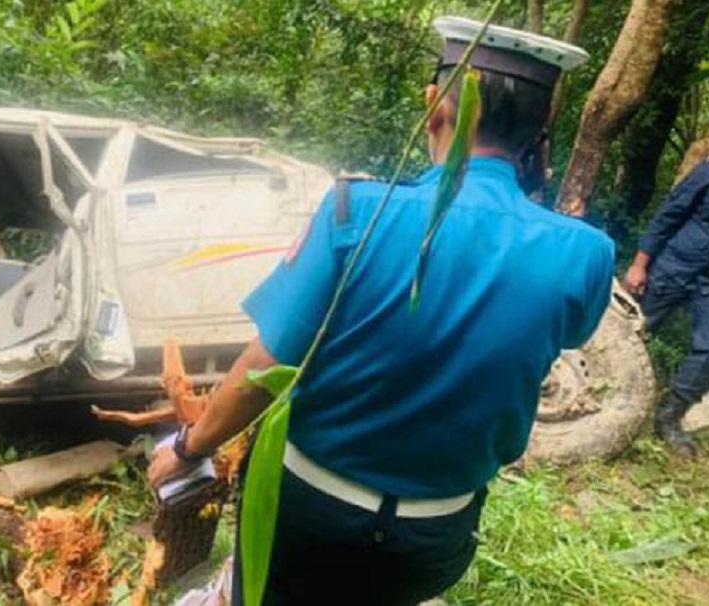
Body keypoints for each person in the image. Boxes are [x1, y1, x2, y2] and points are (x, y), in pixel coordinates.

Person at [148, 16, 614, 605]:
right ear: (541, 129)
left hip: (306, 518)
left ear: (434, 106)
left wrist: (188, 448)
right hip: (436, 535)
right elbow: (560, 333)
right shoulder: (586, 253)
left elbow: (266, 366)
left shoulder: (359, 213)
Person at [625, 160, 709, 457]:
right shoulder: (707, 173)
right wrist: (639, 265)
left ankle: (668, 419)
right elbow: (668, 216)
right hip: (673, 267)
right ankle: (605, 395)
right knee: (629, 330)